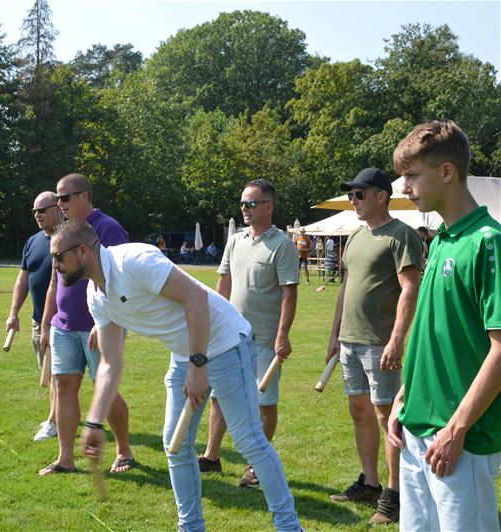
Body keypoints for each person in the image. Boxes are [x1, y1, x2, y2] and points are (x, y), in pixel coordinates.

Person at [52, 219, 303, 531]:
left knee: (249, 439)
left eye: (58, 256)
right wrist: (94, 422)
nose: (55, 265)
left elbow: (196, 296)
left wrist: (198, 365)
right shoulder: (96, 295)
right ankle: (191, 527)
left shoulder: (133, 261)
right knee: (176, 444)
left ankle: (290, 527)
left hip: (225, 342)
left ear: (82, 251)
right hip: (186, 354)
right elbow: (109, 364)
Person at [388, 120, 501, 531]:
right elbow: (434, 332)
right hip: (417, 427)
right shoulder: (439, 241)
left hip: (459, 439)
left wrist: (457, 427)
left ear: (447, 171)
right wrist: (405, 396)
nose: (405, 187)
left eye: (412, 175)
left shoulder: (488, 241)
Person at [325, 167, 424, 525]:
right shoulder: (355, 236)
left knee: (388, 418)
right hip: (350, 342)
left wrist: (397, 339)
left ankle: (395, 495)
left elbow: (410, 289)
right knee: (359, 410)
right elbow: (345, 289)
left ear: (381, 196)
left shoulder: (402, 235)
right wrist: (335, 335)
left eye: (359, 194)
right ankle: (370, 483)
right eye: (351, 195)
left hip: (379, 343)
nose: (353, 200)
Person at [198, 180, 299, 489]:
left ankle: (257, 466)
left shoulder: (282, 245)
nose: (245, 208)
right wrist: (214, 322)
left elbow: (289, 293)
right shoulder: (235, 240)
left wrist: (283, 335)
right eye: (243, 203)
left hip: (265, 338)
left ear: (268, 206)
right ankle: (211, 456)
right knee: (219, 397)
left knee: (264, 403)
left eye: (251, 203)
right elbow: (223, 284)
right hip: (230, 337)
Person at [38, 173, 135, 476]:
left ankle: (124, 451)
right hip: (63, 325)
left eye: (64, 198)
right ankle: (65, 458)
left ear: (83, 196)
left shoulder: (108, 228)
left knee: (105, 388)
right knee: (63, 386)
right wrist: (47, 323)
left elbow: (122, 279)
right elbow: (54, 282)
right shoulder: (63, 231)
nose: (59, 204)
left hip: (99, 326)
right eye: (57, 199)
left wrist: (105, 321)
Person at [6, 192, 62, 441]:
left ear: (57, 208)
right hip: (39, 320)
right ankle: (60, 412)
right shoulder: (32, 242)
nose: (37, 215)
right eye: (34, 211)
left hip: (63, 321)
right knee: (47, 374)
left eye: (42, 210)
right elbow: (23, 279)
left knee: (57, 374)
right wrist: (13, 314)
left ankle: (54, 421)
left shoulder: (70, 237)